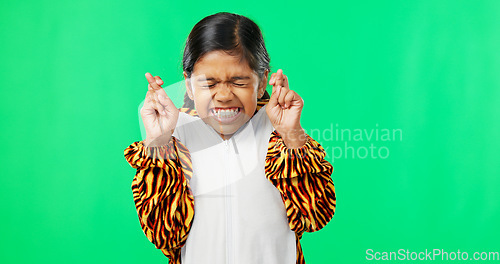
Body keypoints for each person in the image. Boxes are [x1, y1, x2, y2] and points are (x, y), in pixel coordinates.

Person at [124, 12, 336, 264]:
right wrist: (158, 143)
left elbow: (315, 215)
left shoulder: (279, 134)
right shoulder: (174, 137)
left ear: (261, 82)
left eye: (238, 81)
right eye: (209, 83)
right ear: (189, 85)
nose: (223, 95)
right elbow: (163, 234)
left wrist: (292, 136)